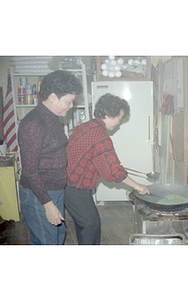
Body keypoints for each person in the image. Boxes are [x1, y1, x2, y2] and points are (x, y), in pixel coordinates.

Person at [64, 93, 150, 245]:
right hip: (74, 187)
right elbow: (113, 171)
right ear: (108, 114)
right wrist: (138, 186)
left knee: (85, 224)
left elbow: (101, 164)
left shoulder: (86, 126)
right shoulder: (100, 136)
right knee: (91, 224)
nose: (119, 123)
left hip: (67, 184)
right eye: (119, 118)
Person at [18, 70, 83, 245]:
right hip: (39, 194)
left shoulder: (52, 117)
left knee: (57, 237)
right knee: (46, 242)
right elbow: (30, 171)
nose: (71, 105)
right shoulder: (33, 123)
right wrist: (48, 204)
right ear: (53, 97)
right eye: (68, 101)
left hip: (54, 191)